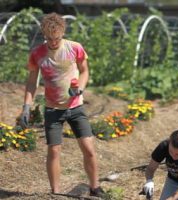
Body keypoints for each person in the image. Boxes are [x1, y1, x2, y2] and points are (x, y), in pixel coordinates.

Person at [19, 13, 104, 197]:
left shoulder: (75, 48)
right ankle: (55, 193)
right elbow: (32, 82)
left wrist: (79, 89)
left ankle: (95, 187)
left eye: (56, 38)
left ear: (63, 32)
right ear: (44, 34)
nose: (53, 42)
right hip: (53, 109)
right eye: (49, 38)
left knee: (88, 148)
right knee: (54, 150)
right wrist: (26, 106)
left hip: (76, 106)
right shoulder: (37, 53)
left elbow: (84, 71)